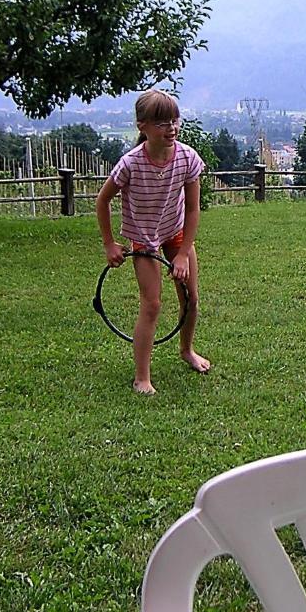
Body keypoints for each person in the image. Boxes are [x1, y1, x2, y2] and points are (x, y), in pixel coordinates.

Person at [96, 89, 212, 393]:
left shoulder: (187, 158)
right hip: (143, 239)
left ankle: (187, 350)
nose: (171, 128)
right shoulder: (130, 164)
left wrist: (184, 253)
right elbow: (102, 201)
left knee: (191, 298)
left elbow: (193, 208)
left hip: (175, 232)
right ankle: (142, 377)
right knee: (152, 304)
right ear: (142, 127)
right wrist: (109, 244)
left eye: (174, 120)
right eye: (161, 123)